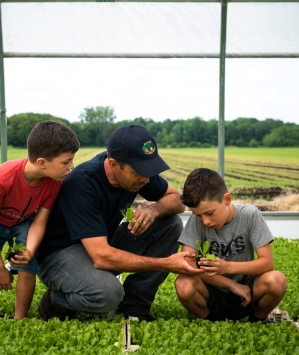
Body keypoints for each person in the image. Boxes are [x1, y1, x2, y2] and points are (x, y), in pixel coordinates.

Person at [36, 124, 204, 322]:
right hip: (59, 254)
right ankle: (55, 302)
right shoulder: (82, 183)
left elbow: (177, 199)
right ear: (114, 164)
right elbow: (101, 257)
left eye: (149, 170)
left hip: (99, 241)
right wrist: (166, 264)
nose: (146, 179)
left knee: (171, 224)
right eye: (139, 172)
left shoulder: (138, 176)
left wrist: (153, 210)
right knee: (107, 293)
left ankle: (135, 306)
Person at [0, 121, 80, 320]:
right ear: (43, 162)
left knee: (27, 267)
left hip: (25, 219)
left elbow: (39, 222)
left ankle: (20, 319)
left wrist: (30, 251)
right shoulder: (2, 178)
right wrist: (0, 267)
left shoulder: (54, 182)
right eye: (66, 162)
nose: (71, 166)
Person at [175, 168, 287, 323]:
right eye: (198, 215)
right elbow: (188, 265)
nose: (205, 221)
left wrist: (227, 268)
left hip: (247, 289)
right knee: (183, 284)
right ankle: (210, 320)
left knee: (277, 281)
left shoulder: (249, 215)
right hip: (211, 291)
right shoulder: (197, 222)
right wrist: (230, 284)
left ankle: (258, 319)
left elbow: (267, 262)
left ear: (227, 199)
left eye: (209, 213)